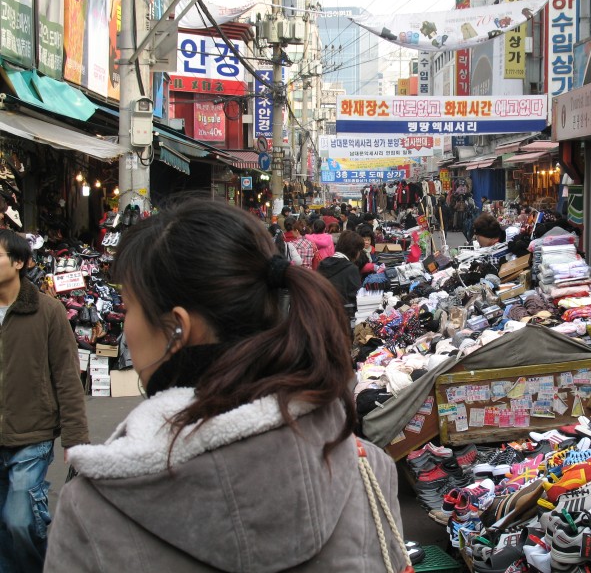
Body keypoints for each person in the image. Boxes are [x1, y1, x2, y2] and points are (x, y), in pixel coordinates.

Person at [44, 200, 406, 572]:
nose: (126, 325)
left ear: (179, 327)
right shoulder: (367, 469)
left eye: (129, 306)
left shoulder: (94, 508)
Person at [0, 229, 88, 573]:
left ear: (19, 262)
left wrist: (76, 437)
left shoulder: (47, 311)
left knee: (20, 519)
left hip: (32, 433)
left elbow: (67, 375)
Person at [317, 231, 364, 319]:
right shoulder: (351, 269)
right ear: (354, 250)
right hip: (341, 318)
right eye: (359, 250)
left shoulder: (322, 263)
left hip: (320, 314)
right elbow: (355, 298)